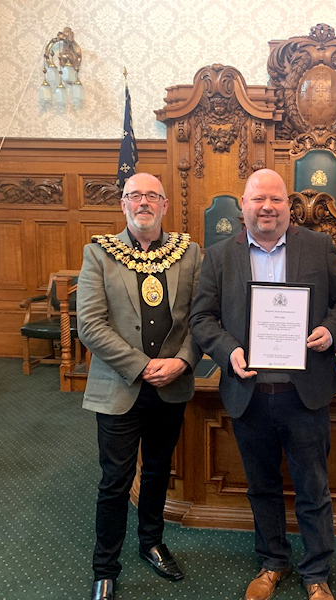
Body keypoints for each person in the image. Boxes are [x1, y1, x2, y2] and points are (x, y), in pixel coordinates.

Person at [189, 169, 336, 600]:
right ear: (242, 206)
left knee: (313, 487)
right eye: (258, 199)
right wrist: (229, 350)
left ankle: (317, 572)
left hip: (303, 394)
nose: (267, 207)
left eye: (276, 200)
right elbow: (201, 319)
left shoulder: (318, 247)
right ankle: (272, 562)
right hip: (249, 395)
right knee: (261, 485)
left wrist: (330, 330)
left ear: (289, 205)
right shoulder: (218, 256)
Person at [77, 172, 202, 600]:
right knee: (115, 481)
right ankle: (105, 567)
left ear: (165, 205)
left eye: (152, 195)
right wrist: (144, 366)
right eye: (135, 195)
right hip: (119, 385)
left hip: (172, 385)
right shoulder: (98, 254)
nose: (143, 202)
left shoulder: (189, 253)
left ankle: (151, 542)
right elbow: (90, 326)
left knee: (157, 472)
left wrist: (183, 361)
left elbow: (201, 319)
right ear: (123, 204)